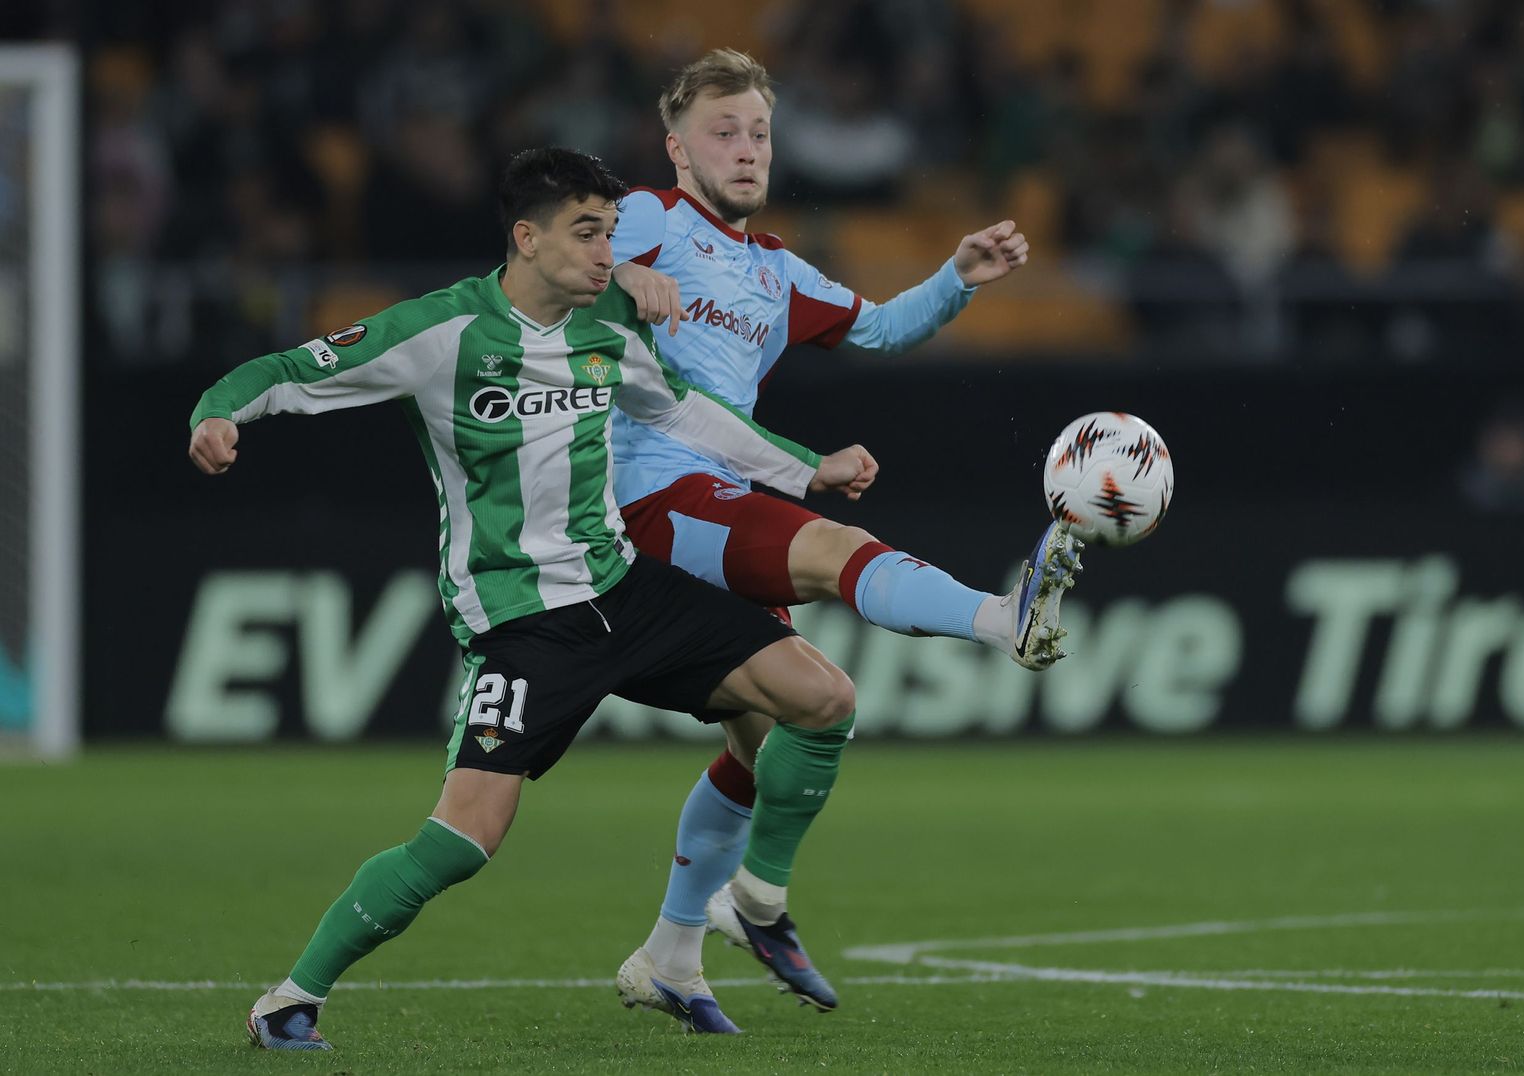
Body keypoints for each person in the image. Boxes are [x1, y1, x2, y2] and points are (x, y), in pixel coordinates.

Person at [188, 147, 880, 1050]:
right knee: (464, 840)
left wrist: (808, 468)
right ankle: (289, 1001)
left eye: (612, 233)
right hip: (522, 622)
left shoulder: (607, 334)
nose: (608, 255)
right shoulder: (439, 332)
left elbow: (684, 412)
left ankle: (748, 903)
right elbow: (284, 369)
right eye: (587, 234)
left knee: (823, 697)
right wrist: (216, 414)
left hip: (625, 590)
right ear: (527, 237)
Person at [606, 49, 1083, 1031]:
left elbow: (877, 328)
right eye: (723, 132)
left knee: (771, 739)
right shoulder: (652, 216)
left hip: (723, 500)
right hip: (652, 497)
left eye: (759, 133)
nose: (745, 150)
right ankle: (1003, 617)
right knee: (828, 545)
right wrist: (615, 269)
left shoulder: (773, 268)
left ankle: (670, 951)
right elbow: (552, 259)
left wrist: (957, 276)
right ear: (676, 147)